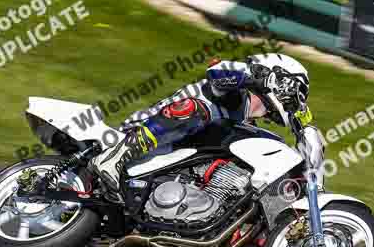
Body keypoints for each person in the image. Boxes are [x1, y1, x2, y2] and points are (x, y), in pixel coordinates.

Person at [90, 53, 326, 192]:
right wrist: (258, 76)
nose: (294, 100)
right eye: (295, 91)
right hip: (140, 135)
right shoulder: (234, 91)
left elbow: (306, 128)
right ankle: (113, 159)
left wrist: (313, 178)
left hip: (174, 163)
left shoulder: (245, 118)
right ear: (281, 80)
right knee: (195, 110)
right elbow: (215, 70)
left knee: (267, 143)